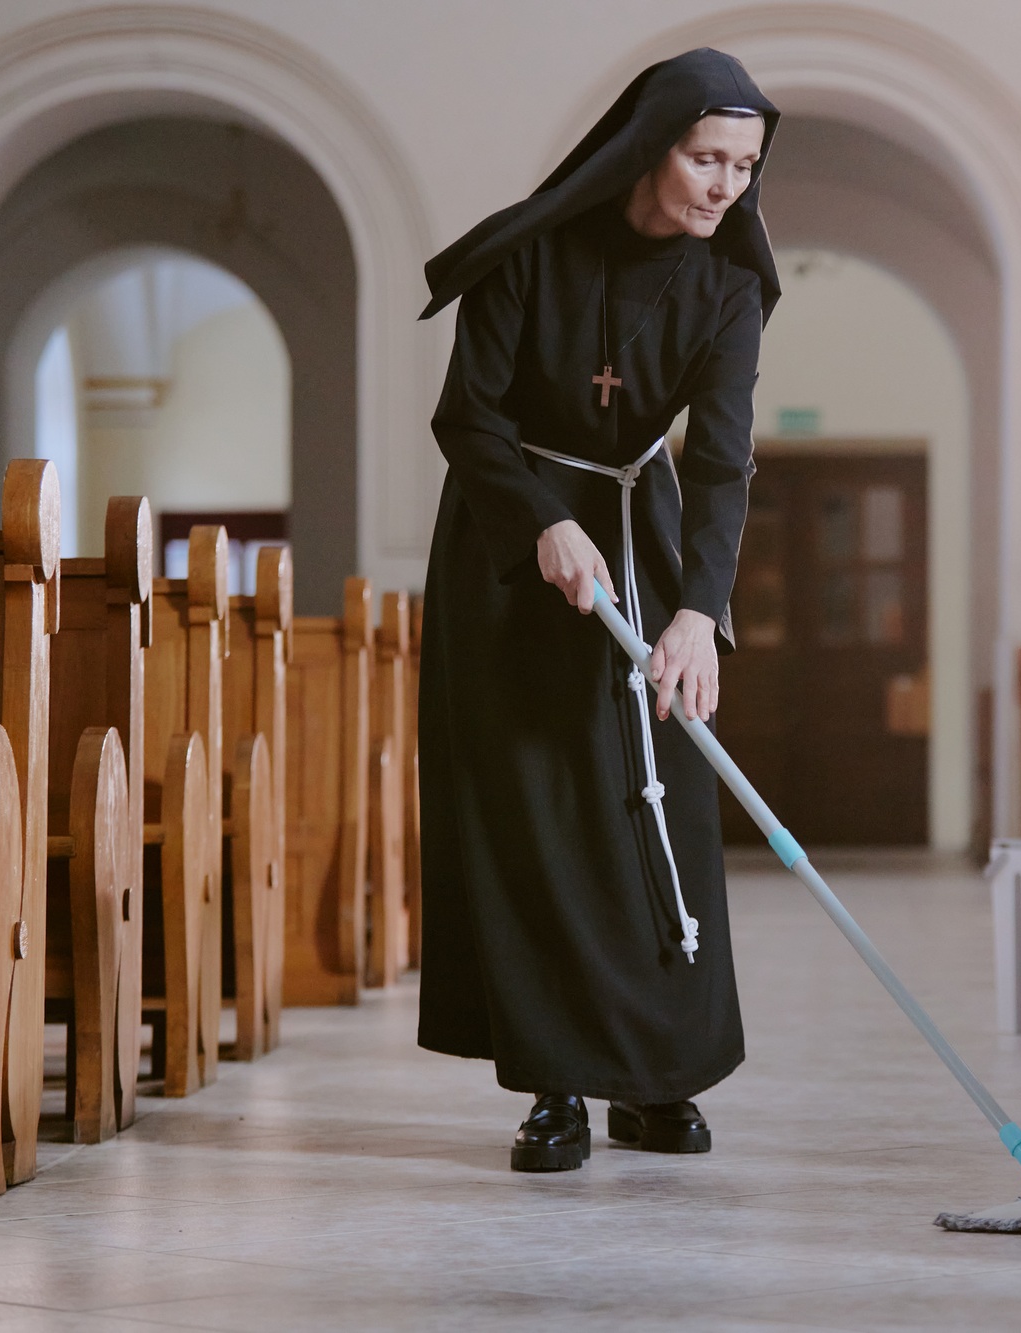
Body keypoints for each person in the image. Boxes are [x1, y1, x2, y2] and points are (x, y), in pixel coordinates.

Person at [414, 49, 780, 1172]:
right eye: (705, 157)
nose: (725, 185)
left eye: (743, 166)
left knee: (650, 803)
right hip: (507, 548)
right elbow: (466, 417)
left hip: (640, 538)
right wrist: (538, 519)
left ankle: (656, 1077)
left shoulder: (727, 290)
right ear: (651, 143)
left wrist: (698, 612)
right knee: (534, 809)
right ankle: (556, 1087)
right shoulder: (531, 254)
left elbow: (721, 465)